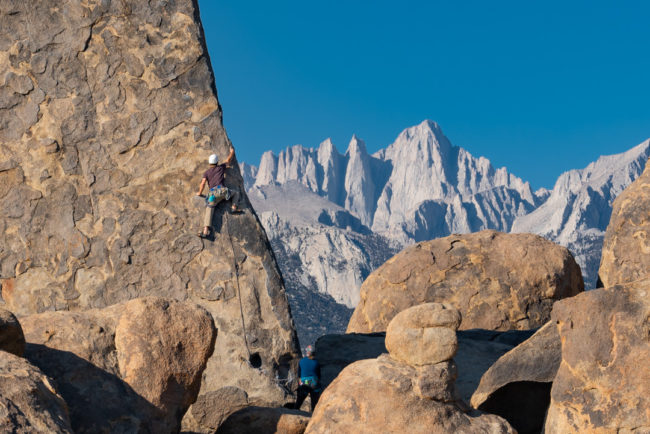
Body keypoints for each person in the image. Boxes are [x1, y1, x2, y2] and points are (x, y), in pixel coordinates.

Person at [196, 147, 241, 238]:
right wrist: (232, 152)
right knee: (236, 193)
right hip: (222, 192)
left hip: (213, 195)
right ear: (217, 162)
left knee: (209, 209)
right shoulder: (221, 168)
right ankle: (233, 207)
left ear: (209, 163)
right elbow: (228, 160)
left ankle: (205, 231)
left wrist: (199, 193)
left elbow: (203, 183)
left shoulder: (207, 172)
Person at [294, 345, 322, 412]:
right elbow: (319, 375)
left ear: (307, 352)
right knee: (314, 403)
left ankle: (295, 411)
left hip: (304, 382)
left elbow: (299, 374)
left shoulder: (301, 361)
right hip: (314, 382)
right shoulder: (316, 362)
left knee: (299, 402)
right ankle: (313, 414)